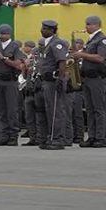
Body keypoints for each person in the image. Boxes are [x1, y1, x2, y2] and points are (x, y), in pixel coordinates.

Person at [72, 15, 106, 147]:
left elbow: (100, 58)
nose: (86, 27)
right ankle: (92, 136)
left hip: (97, 78)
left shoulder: (102, 39)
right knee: (90, 109)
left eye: (88, 24)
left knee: (99, 108)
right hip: (87, 78)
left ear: (96, 25)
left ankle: (101, 137)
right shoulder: (91, 40)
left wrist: (81, 54)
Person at [37, 20, 69, 150]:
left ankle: (58, 139)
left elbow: (62, 61)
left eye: (45, 28)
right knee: (49, 110)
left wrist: (61, 79)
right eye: (42, 28)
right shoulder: (46, 44)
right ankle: (51, 137)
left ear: (52, 30)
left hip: (54, 80)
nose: (42, 30)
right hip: (46, 81)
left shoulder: (57, 43)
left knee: (56, 110)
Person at [0, 24, 25, 146]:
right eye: (0, 34)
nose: (1, 36)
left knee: (11, 110)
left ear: (9, 34)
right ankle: (4, 134)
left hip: (10, 81)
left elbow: (18, 65)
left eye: (3, 34)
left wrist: (2, 58)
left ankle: (13, 135)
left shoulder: (14, 47)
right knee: (1, 110)